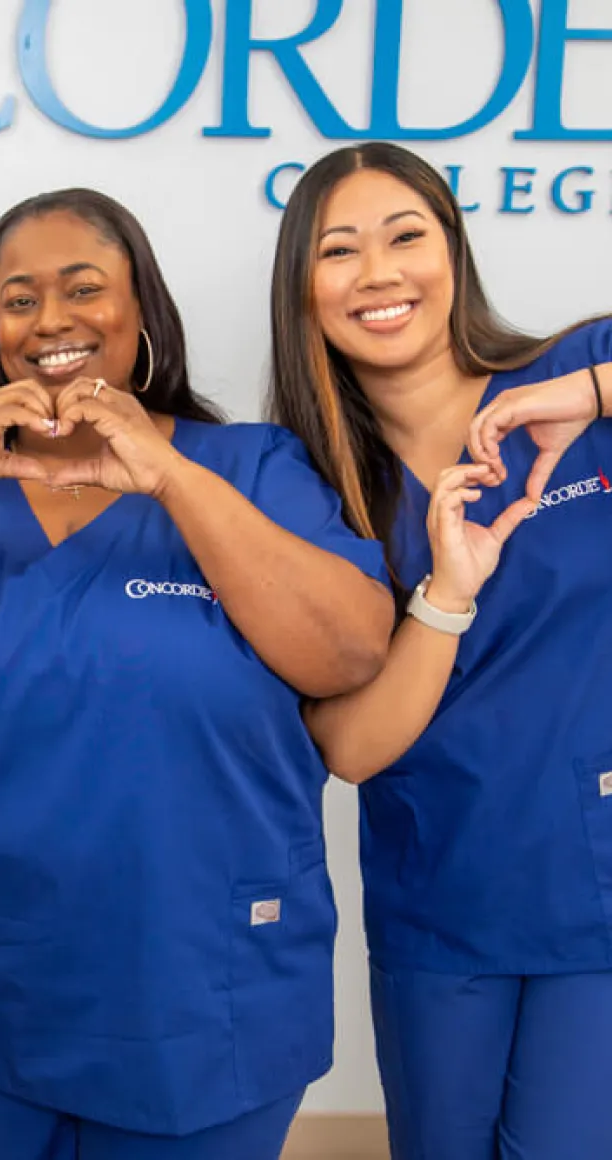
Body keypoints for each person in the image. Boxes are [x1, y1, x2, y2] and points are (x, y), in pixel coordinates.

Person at [0, 188, 393, 1159]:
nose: (50, 319)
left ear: (141, 307)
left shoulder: (251, 467)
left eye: (83, 288)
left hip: (200, 991)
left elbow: (349, 650)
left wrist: (170, 478)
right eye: (19, 299)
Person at [268, 140, 612, 1160]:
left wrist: (594, 392)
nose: (378, 273)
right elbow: (349, 747)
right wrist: (444, 599)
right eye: (339, 250)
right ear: (303, 290)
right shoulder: (305, 484)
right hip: (442, 899)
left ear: (453, 251)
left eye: (405, 236)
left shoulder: (581, 377)